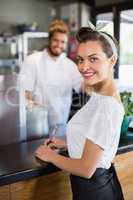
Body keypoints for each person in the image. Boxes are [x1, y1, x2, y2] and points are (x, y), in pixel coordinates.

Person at [35, 23, 125, 200]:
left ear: (112, 60)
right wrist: (67, 144)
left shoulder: (106, 106)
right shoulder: (102, 96)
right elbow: (99, 144)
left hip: (96, 192)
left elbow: (86, 168)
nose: (83, 67)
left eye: (93, 59)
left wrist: (50, 156)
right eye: (81, 59)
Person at [20, 20, 83, 136]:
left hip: (60, 129)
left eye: (62, 42)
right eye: (55, 40)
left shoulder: (70, 66)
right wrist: (35, 109)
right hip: (35, 128)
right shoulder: (32, 61)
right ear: (49, 40)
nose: (59, 45)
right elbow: (25, 95)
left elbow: (84, 87)